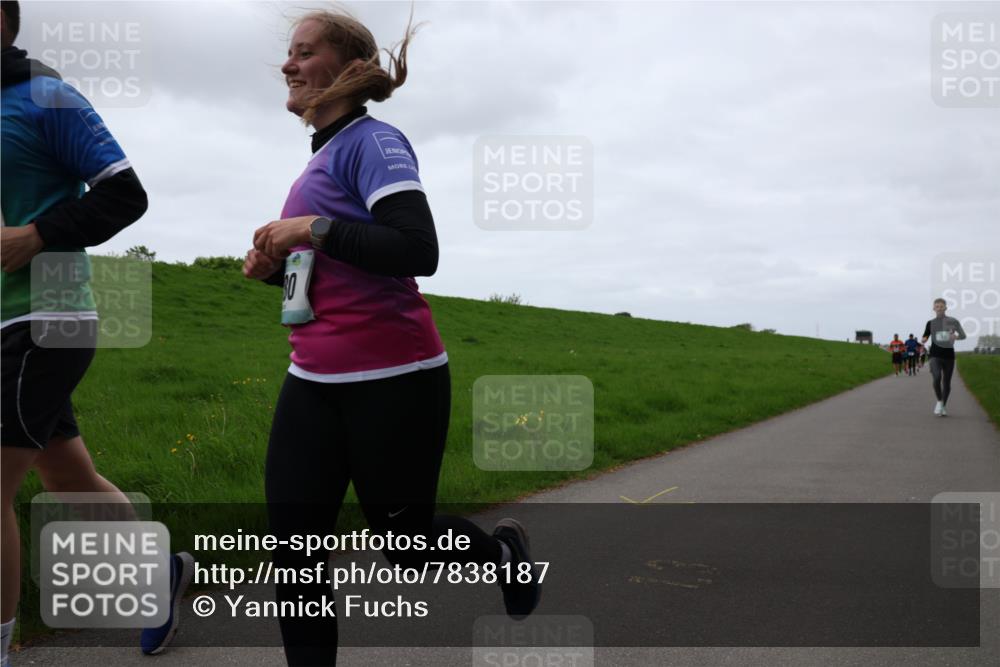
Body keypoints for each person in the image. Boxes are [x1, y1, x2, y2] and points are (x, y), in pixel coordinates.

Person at [242, 9, 541, 665]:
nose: (287, 65)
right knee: (295, 554)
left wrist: (309, 230)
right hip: (311, 384)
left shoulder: (375, 143)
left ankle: (501, 550)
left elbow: (416, 248)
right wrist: (276, 272)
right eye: (287, 54)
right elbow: (317, 281)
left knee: (406, 545)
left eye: (303, 51)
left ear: (349, 69)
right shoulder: (314, 166)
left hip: (395, 381)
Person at [0, 4, 190, 663]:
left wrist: (39, 234)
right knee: (65, 474)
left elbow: (125, 193)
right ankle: (158, 574)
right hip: (2, 323)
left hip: (45, 317)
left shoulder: (45, 97)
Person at [921, 298, 967, 417]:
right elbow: (925, 335)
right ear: (934, 309)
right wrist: (924, 339)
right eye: (937, 306)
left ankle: (943, 406)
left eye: (941, 306)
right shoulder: (930, 323)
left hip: (949, 356)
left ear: (945, 308)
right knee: (936, 378)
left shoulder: (953, 321)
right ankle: (940, 401)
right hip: (935, 355)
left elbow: (963, 335)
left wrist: (955, 337)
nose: (939, 308)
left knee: (946, 382)